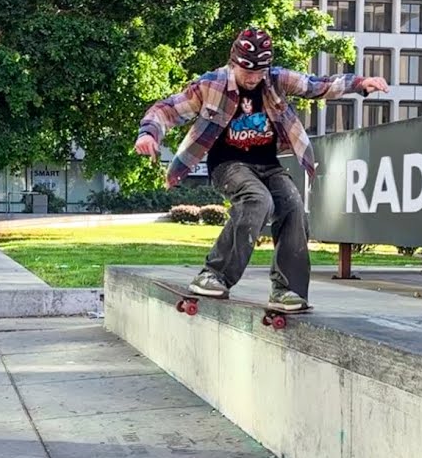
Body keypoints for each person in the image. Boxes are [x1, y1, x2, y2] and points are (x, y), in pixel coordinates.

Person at [134, 27, 389, 309]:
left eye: (259, 72)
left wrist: (360, 83)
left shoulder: (276, 79)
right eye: (247, 72)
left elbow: (317, 85)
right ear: (234, 63)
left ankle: (288, 290)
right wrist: (149, 133)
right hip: (228, 166)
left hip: (268, 165)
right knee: (258, 200)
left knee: (293, 205)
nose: (253, 79)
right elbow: (168, 109)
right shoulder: (211, 85)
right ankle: (214, 275)